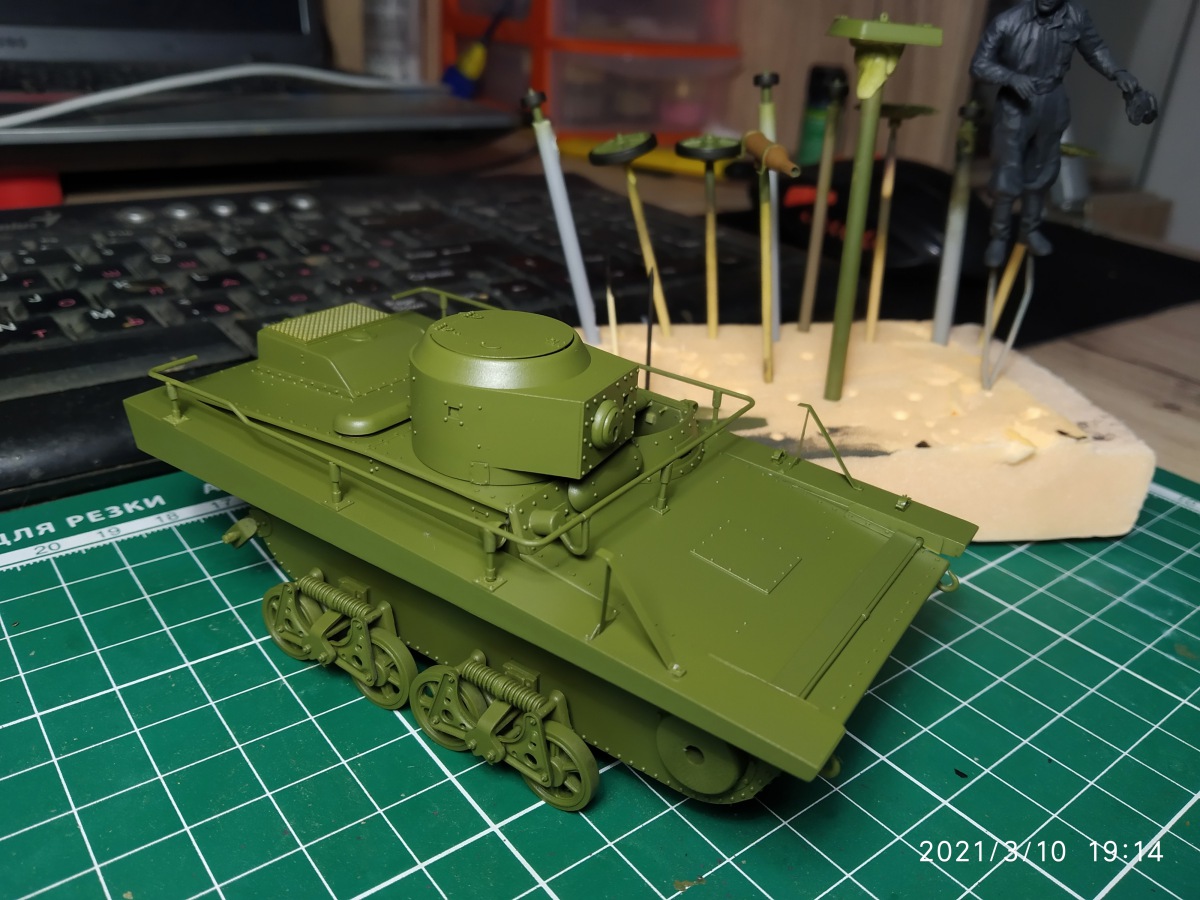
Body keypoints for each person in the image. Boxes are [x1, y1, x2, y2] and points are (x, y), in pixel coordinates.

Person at [971, 0, 1145, 268]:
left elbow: (1095, 48)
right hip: (1016, 105)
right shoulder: (1008, 21)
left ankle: (1029, 230)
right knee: (1007, 173)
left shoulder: (1076, 17)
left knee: (1042, 171)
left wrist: (1117, 72)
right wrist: (1011, 77)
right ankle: (998, 237)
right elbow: (980, 64)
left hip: (1052, 100)